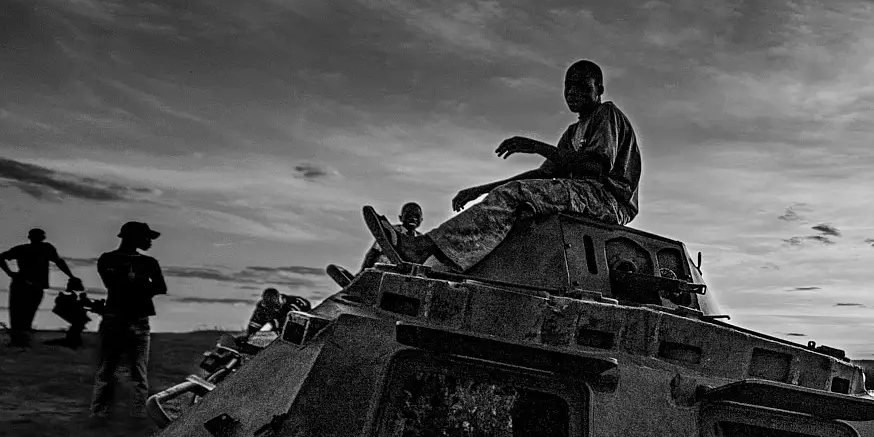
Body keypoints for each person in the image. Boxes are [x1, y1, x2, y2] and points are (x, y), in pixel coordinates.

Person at [363, 62, 641, 274]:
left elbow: (596, 167)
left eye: (582, 86)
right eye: (568, 86)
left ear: (600, 89)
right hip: (584, 194)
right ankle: (443, 262)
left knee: (516, 195)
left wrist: (535, 146)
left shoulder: (606, 115)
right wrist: (481, 191)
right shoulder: (572, 133)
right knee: (515, 203)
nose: (573, 93)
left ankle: (420, 248)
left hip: (608, 199)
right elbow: (544, 175)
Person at [91, 220, 167, 419]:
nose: (150, 242)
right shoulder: (108, 259)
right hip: (118, 320)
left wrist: (132, 282)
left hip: (130, 320)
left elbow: (160, 287)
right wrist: (139, 285)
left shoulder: (147, 262)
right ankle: (102, 415)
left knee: (133, 373)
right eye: (146, 238)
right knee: (109, 370)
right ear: (134, 238)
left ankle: (135, 416)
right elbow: (116, 285)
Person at [0, 228, 76, 348]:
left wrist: (71, 276)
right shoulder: (39, 248)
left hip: (30, 286)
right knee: (21, 314)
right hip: (24, 285)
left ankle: (21, 341)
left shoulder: (39, 249)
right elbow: (0, 257)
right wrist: (9, 273)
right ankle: (19, 341)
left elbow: (59, 262)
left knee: (23, 314)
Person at [46, 276, 102, 348]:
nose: (81, 286)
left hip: (73, 313)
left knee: (78, 324)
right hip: (69, 312)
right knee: (78, 323)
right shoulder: (68, 295)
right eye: (79, 284)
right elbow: (72, 304)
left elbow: (82, 304)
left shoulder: (74, 295)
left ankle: (73, 340)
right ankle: (72, 341)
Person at [245, 286, 311, 338]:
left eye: (274, 307)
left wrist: (275, 323)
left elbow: (293, 319)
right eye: (268, 307)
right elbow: (254, 325)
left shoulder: (295, 303)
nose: (271, 309)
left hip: (300, 329)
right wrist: (249, 337)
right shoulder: (262, 308)